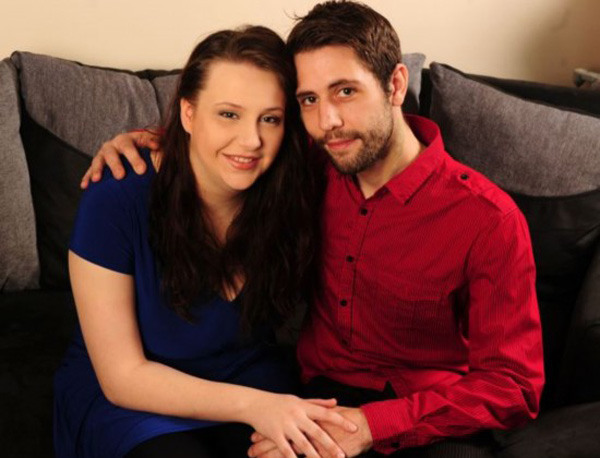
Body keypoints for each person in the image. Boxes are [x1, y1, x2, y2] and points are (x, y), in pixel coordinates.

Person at [82, 1, 545, 457]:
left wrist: (373, 425)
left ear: (396, 84)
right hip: (320, 398)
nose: (328, 122)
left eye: (346, 91)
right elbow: (234, 139)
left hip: (430, 414)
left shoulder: (488, 220)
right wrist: (149, 140)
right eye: (309, 99)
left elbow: (515, 386)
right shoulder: (312, 163)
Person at [54, 25, 361, 458]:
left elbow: (373, 143)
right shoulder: (116, 196)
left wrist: (267, 406)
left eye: (270, 118)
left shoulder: (292, 183)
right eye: (228, 115)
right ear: (188, 113)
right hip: (137, 400)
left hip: (250, 379)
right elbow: (123, 377)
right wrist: (258, 407)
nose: (251, 141)